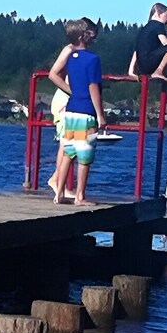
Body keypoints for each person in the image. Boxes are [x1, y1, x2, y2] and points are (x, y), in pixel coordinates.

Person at [48, 17, 106, 206]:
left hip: (71, 109)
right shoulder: (93, 59)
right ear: (84, 36)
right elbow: (93, 87)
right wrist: (100, 114)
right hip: (86, 110)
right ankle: (80, 196)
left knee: (68, 152)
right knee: (84, 156)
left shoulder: (72, 58)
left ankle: (59, 193)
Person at [45, 44, 76, 201]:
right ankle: (58, 183)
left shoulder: (79, 53)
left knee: (74, 145)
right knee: (67, 144)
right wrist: (73, 92)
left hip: (72, 102)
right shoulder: (70, 50)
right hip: (65, 101)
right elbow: (54, 74)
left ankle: (58, 180)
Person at [127, 3, 167, 81]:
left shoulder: (144, 29)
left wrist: (131, 71)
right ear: (158, 14)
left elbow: (137, 50)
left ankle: (160, 71)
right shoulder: (158, 25)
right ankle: (159, 71)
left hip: (142, 67)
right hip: (150, 63)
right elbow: (166, 44)